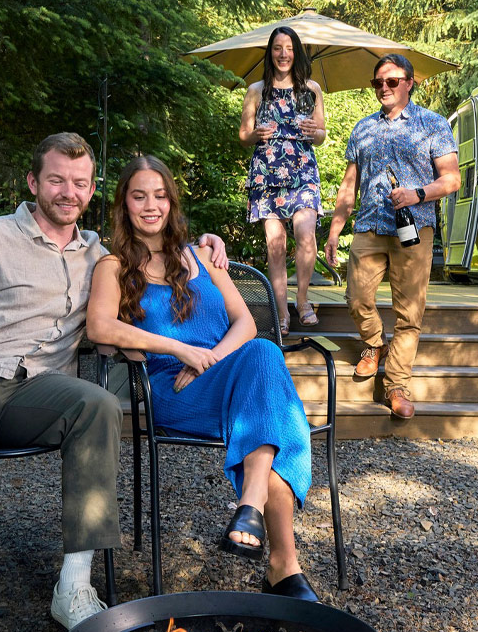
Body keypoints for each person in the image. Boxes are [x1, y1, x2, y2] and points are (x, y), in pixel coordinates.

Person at [0, 133, 227, 629]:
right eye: (56, 180)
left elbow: (157, 241)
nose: (67, 192)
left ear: (92, 190)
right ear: (33, 183)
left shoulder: (99, 254)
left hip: (46, 391)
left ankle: (75, 583)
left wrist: (203, 244)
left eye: (79, 183)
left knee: (99, 405)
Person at [86, 155, 319, 602]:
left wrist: (208, 359)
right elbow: (100, 327)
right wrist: (180, 350)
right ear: (124, 204)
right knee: (274, 399)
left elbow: (245, 324)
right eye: (139, 196)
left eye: (160, 195)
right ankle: (280, 564)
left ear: (172, 203)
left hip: (223, 373)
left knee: (263, 360)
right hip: (172, 389)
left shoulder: (202, 255)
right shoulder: (112, 266)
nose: (150, 205)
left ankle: (262, 527)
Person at [325, 54, 461, 420]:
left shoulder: (432, 124)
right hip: (369, 224)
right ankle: (373, 344)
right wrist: (335, 230)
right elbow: (349, 186)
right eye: (378, 83)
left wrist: (417, 193)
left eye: (392, 81)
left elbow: (452, 179)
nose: (384, 88)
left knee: (409, 313)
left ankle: (397, 386)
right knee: (356, 297)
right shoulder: (362, 128)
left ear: (410, 82)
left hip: (413, 227)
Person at [239, 26, 327, 338]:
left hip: (302, 172)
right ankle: (281, 312)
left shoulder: (311, 90)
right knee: (275, 245)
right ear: (270, 52)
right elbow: (243, 135)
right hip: (267, 174)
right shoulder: (256, 90)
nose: (283, 54)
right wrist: (255, 135)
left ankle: (303, 301)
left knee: (305, 234)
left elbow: (321, 135)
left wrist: (312, 131)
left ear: (297, 52)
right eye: (277, 48)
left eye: (288, 48)